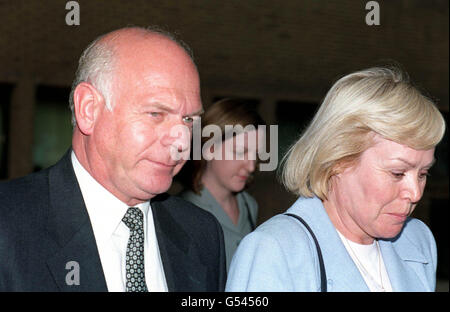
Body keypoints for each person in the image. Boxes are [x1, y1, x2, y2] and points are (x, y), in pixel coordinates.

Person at [0, 26, 226, 292]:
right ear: (89, 109)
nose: (181, 142)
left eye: (189, 120)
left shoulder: (202, 234)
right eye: (156, 113)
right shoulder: (8, 226)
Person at [226, 66, 446, 292]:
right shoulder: (274, 251)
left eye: (422, 174)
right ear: (338, 160)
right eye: (397, 173)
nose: (415, 193)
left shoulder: (418, 240)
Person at [179, 98, 264, 271]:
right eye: (240, 152)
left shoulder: (249, 205)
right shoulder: (185, 212)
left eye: (255, 154)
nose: (251, 166)